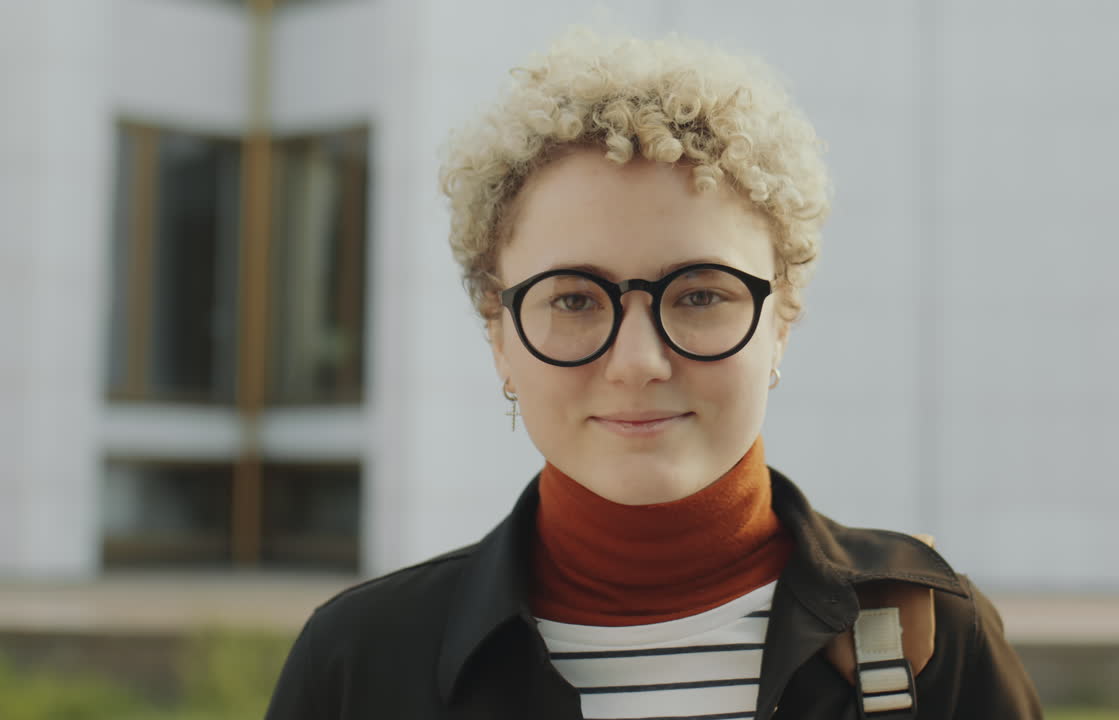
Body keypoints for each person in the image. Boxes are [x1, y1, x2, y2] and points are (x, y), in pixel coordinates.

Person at [265, 29, 1042, 720]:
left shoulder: (933, 640)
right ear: (499, 333)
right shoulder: (359, 665)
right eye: (573, 298)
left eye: (701, 294)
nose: (637, 362)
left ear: (783, 322)